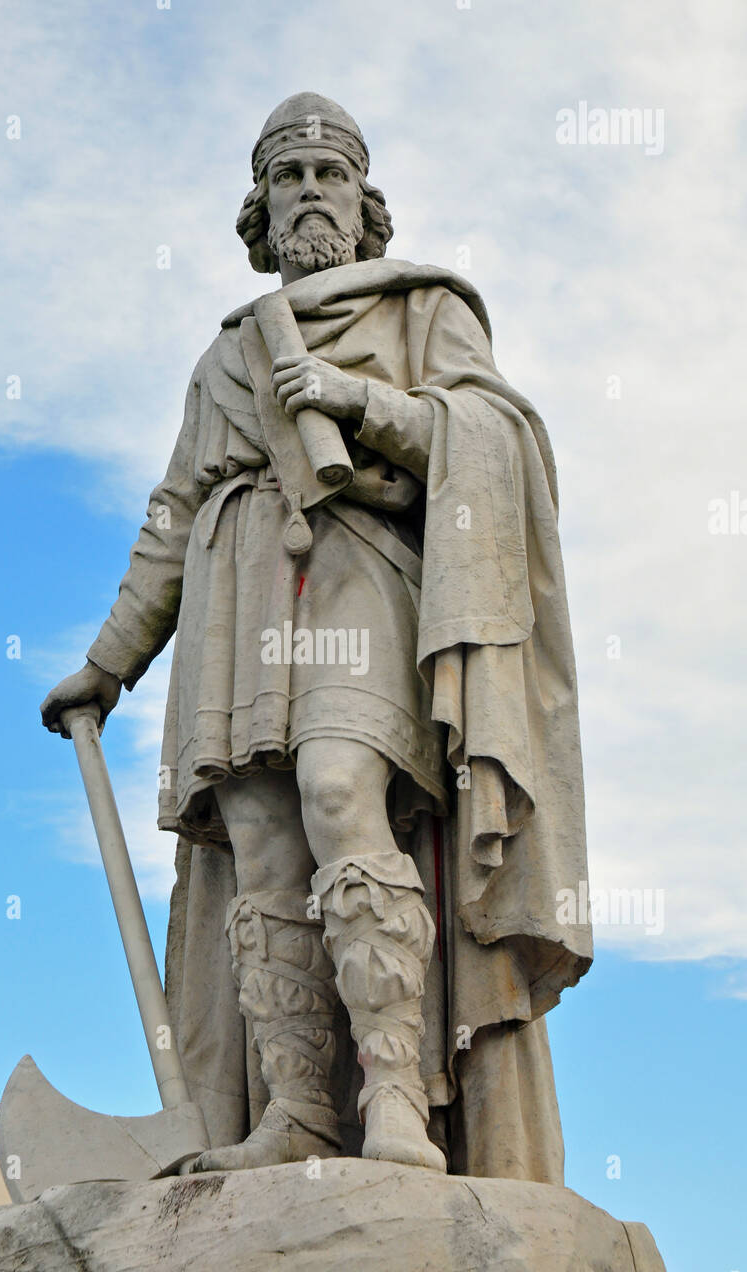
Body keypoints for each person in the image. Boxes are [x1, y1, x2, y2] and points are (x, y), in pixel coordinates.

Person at [41, 93, 593, 1181]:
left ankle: (392, 1094)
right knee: (261, 842)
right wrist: (106, 665)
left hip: (360, 579)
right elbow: (171, 514)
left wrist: (351, 397)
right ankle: (296, 1109)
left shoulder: (420, 308)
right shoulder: (225, 358)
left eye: (326, 172)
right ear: (259, 206)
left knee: (341, 790)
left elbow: (493, 439)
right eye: (284, 175)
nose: (305, 191)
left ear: (362, 198)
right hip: (234, 595)